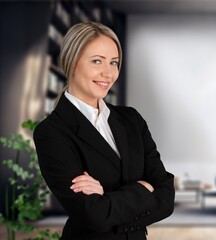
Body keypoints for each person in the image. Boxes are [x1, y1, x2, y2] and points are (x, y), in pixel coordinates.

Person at [33, 22, 175, 240]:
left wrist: (107, 198)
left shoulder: (131, 120)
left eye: (114, 62)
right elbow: (93, 215)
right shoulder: (51, 132)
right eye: (97, 61)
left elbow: (166, 196)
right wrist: (143, 189)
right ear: (71, 63)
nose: (108, 73)